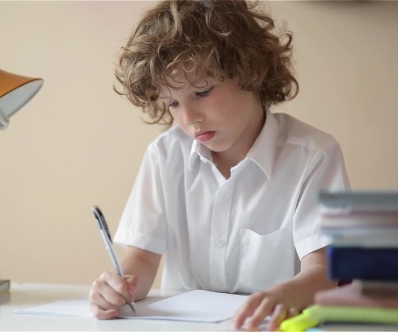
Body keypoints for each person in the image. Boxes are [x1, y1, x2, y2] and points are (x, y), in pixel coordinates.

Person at [88, 0, 350, 330]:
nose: (188, 118)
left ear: (248, 69)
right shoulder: (165, 155)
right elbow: (141, 257)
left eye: (202, 91)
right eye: (172, 102)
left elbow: (325, 268)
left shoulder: (313, 155)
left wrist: (287, 294)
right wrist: (118, 287)